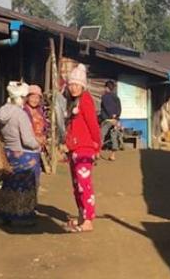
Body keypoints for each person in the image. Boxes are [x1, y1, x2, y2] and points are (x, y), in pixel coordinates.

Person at [0, 81, 42, 227]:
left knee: (10, 184)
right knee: (24, 187)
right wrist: (38, 144)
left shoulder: (2, 112)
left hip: (9, 152)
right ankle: (21, 216)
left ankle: (5, 213)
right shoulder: (20, 114)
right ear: (21, 97)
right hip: (25, 155)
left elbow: (0, 134)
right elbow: (27, 140)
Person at [64, 64, 102, 233]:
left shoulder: (86, 99)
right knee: (76, 186)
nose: (73, 88)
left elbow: (93, 124)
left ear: (83, 85)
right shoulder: (73, 101)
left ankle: (88, 220)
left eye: (76, 84)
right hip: (74, 148)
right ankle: (81, 215)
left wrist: (97, 144)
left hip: (85, 148)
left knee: (83, 185)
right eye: (71, 84)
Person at [99, 80, 122, 161]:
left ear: (106, 88)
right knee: (114, 137)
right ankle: (113, 155)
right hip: (116, 121)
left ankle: (97, 153)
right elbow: (119, 109)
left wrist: (112, 116)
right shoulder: (116, 97)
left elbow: (108, 107)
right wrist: (116, 118)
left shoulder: (105, 97)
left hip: (108, 120)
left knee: (101, 135)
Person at [23, 85, 49, 156]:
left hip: (41, 143)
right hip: (29, 144)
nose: (34, 100)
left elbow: (45, 126)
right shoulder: (24, 111)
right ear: (27, 98)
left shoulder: (40, 110)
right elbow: (25, 129)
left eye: (37, 98)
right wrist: (35, 138)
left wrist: (44, 136)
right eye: (32, 97)